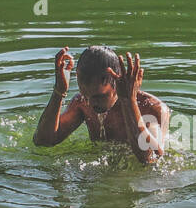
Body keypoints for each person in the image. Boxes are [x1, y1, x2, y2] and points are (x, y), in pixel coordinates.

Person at [33, 45, 170, 164]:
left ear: (117, 82)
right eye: (86, 96)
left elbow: (150, 159)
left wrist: (128, 101)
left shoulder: (152, 108)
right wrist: (59, 91)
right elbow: (43, 141)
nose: (91, 104)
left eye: (99, 96)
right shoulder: (81, 103)